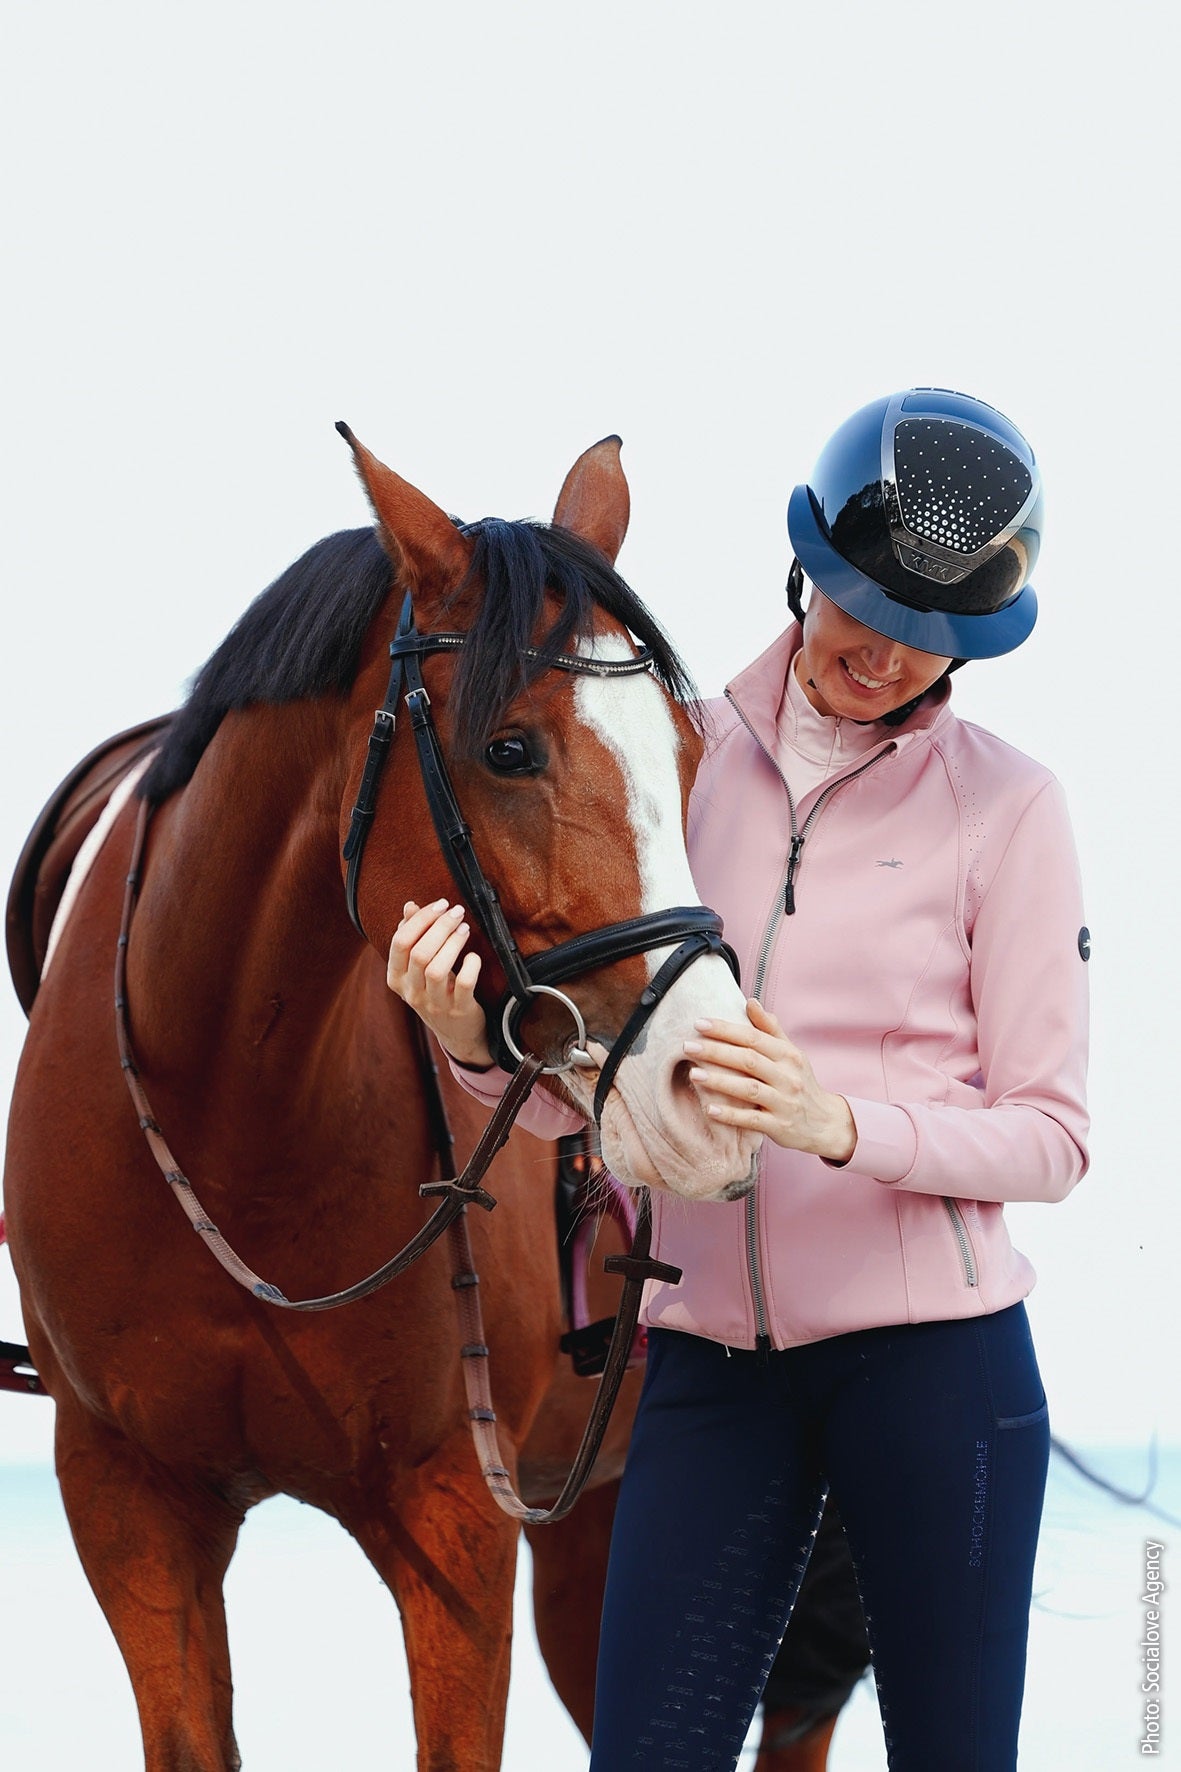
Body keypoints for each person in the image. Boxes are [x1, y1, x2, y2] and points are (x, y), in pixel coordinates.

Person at [388, 388, 1090, 1771]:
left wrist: (843, 1126)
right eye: (859, 610)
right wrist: (475, 1054)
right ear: (805, 570)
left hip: (935, 1373)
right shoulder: (677, 761)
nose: (884, 656)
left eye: (928, 637)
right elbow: (584, 1090)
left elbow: (1052, 1139)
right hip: (708, 1364)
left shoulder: (1009, 807)